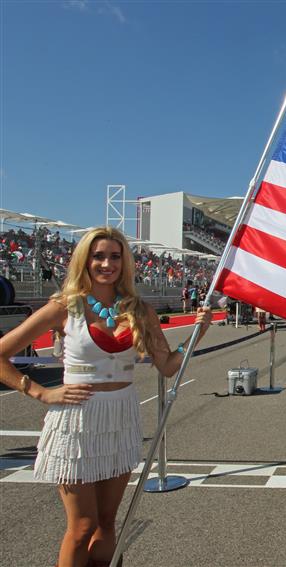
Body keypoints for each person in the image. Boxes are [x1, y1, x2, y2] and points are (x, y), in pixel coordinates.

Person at [0, 227, 212, 567]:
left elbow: (168, 366)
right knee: (81, 527)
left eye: (115, 256)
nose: (106, 263)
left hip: (120, 418)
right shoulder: (64, 307)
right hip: (77, 420)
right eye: (98, 256)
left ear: (125, 262)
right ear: (85, 260)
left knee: (107, 523)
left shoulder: (139, 310)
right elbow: (2, 353)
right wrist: (40, 391)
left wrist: (196, 335)